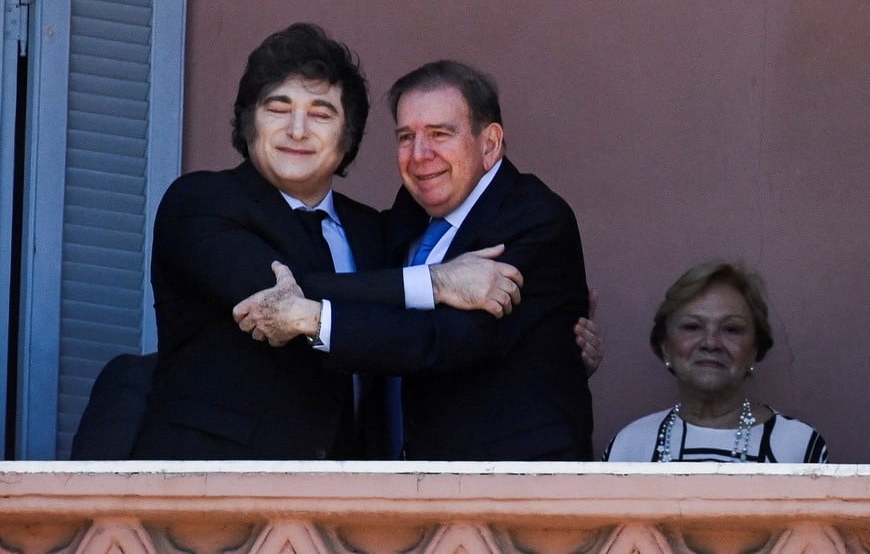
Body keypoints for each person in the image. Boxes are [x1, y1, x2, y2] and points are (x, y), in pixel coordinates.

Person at [131, 24, 520, 460]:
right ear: (249, 121)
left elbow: (409, 336)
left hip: (345, 489)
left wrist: (562, 332)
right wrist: (437, 282)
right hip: (207, 481)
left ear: (348, 134)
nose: (297, 130)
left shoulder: (373, 232)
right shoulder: (201, 201)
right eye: (278, 109)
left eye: (320, 114)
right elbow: (281, 297)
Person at [235, 60, 594, 460]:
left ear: (490, 144)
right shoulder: (409, 212)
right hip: (404, 479)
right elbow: (380, 296)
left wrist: (315, 318)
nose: (420, 154)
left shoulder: (534, 216)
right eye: (406, 137)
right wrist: (296, 294)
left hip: (513, 478)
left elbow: (448, 338)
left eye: (440, 134)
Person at [602, 262, 828, 463]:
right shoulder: (629, 447)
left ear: (754, 349)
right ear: (666, 347)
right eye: (692, 327)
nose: (711, 343)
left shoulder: (799, 447)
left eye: (731, 329)